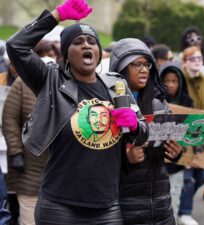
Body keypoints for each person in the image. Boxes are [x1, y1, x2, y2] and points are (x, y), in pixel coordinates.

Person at [6, 0, 148, 224]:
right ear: (65, 54)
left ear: (99, 53)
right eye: (77, 42)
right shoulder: (50, 80)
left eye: (92, 42)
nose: (86, 45)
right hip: (59, 206)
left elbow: (143, 133)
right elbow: (16, 46)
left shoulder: (116, 86)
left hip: (107, 205)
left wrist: (134, 125)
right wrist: (56, 16)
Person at [109, 38, 182, 225]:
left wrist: (176, 153)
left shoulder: (158, 103)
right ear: (122, 68)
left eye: (147, 64)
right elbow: (95, 156)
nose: (144, 70)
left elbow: (167, 146)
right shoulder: (106, 105)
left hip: (160, 202)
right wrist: (126, 159)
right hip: (125, 204)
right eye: (137, 65)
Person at [2, 39, 59, 225]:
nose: (48, 59)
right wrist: (16, 152)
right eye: (44, 54)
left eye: (52, 55)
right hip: (28, 168)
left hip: (58, 169)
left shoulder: (64, 84)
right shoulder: (22, 83)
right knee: (30, 219)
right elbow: (9, 119)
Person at [177, 46, 204, 225]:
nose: (197, 62)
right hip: (183, 132)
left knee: (201, 177)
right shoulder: (179, 79)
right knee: (187, 176)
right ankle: (184, 212)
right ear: (185, 62)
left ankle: (181, 202)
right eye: (193, 59)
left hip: (202, 130)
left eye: (200, 58)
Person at [160, 61, 193, 220]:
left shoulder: (187, 101)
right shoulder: (155, 100)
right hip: (158, 163)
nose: (170, 85)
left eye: (174, 81)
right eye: (166, 81)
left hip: (178, 164)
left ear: (180, 82)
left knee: (174, 200)